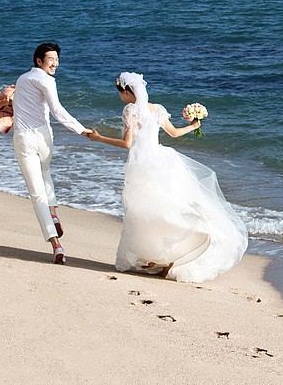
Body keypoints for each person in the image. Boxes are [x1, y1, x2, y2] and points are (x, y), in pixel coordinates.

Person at [88, 72, 247, 282]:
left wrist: (98, 138)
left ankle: (158, 256)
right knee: (169, 206)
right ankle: (168, 255)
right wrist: (192, 126)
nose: (120, 97)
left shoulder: (129, 110)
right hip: (162, 160)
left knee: (145, 210)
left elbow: (127, 144)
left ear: (127, 92)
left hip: (142, 163)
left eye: (120, 92)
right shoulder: (158, 109)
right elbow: (173, 134)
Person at [11, 41, 94, 264]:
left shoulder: (22, 79)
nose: (55, 63)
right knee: (46, 173)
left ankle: (56, 244)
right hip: (44, 137)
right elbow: (57, 110)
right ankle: (54, 213)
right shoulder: (46, 80)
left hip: (23, 138)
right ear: (39, 61)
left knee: (36, 193)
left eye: (57, 59)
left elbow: (19, 104)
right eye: (51, 59)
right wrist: (81, 129)